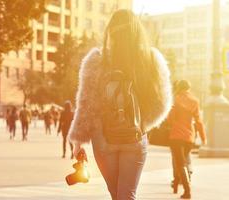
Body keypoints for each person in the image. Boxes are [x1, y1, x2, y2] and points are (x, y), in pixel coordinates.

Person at [68, 10, 172, 200]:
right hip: (135, 136)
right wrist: (139, 124)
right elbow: (161, 104)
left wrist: (78, 140)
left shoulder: (96, 60)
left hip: (103, 138)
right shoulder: (150, 60)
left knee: (116, 195)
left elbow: (86, 104)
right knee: (126, 196)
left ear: (110, 32)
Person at [168, 80, 206, 199]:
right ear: (189, 88)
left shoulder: (175, 99)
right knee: (182, 161)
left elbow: (170, 118)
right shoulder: (195, 101)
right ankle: (175, 184)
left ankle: (187, 191)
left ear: (179, 87)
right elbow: (199, 121)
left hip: (176, 136)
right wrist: (203, 137)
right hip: (190, 137)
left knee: (180, 163)